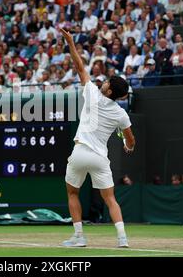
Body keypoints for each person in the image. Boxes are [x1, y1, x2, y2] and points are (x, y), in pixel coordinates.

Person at [59, 28, 135, 248]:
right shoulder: (121, 113)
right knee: (110, 199)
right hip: (100, 158)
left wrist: (71, 42)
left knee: (73, 192)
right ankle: (122, 238)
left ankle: (79, 236)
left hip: (80, 152)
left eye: (107, 82)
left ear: (109, 90)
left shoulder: (91, 92)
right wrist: (127, 145)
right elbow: (131, 141)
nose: (103, 82)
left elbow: (79, 66)